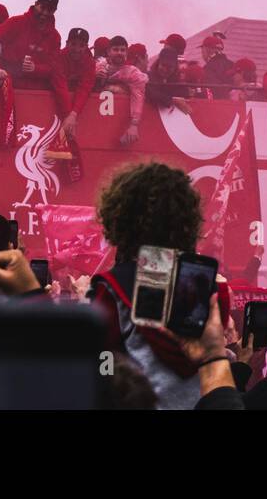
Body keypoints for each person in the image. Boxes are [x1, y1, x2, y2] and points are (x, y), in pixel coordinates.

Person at [87, 161, 213, 410]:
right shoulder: (205, 287)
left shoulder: (112, 289)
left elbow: (102, 356)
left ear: (120, 217)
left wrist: (110, 376)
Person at [0, 0, 72, 109]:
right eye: (42, 7)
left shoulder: (55, 37)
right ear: (36, 4)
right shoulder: (17, 22)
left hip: (38, 97)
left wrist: (35, 69)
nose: (45, 13)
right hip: (9, 90)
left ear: (54, 11)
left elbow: (53, 68)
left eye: (50, 10)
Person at [96, 36, 149, 145]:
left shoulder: (133, 73)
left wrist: (134, 125)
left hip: (117, 125)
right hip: (96, 122)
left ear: (126, 52)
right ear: (108, 52)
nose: (119, 53)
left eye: (122, 50)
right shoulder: (97, 67)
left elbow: (138, 97)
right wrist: (94, 77)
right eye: (116, 49)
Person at [59, 27, 97, 141]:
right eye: (73, 44)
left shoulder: (90, 62)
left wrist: (73, 115)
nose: (77, 48)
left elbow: (84, 88)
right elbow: (60, 86)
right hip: (61, 100)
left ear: (86, 46)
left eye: (81, 45)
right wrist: (68, 115)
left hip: (74, 105)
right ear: (66, 43)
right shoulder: (59, 57)